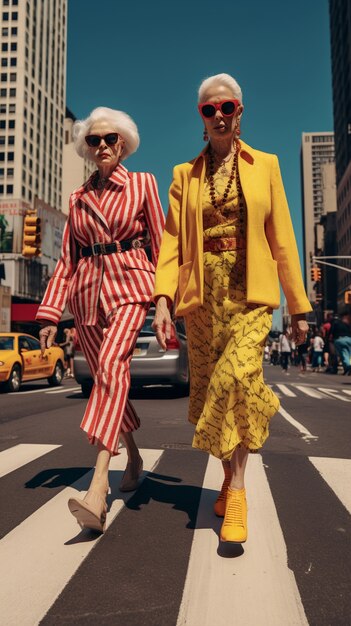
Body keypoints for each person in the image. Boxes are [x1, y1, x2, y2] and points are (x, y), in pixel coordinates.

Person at [152, 73, 311, 545]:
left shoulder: (267, 165)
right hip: (202, 300)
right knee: (208, 393)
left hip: (249, 296)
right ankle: (226, 477)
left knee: (237, 379)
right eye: (209, 110)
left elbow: (282, 236)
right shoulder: (185, 175)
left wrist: (298, 307)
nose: (219, 115)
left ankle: (238, 491)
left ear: (240, 112)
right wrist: (163, 300)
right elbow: (171, 243)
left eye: (227, 107)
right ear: (202, 119)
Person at [37, 107, 165, 532]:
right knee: (108, 381)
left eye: (110, 138)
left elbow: (163, 247)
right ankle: (133, 456)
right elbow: (67, 260)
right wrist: (51, 313)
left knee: (111, 370)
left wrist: (165, 301)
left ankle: (97, 489)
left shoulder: (144, 184)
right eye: (94, 141)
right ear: (87, 149)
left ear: (124, 142)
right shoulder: (78, 198)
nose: (104, 146)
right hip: (86, 297)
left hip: (131, 288)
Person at [330, 308, 351, 375]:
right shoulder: (348, 324)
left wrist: (331, 341)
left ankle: (348, 366)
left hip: (340, 340)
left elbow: (332, 332)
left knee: (344, 354)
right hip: (349, 339)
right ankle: (347, 369)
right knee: (348, 354)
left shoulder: (336, 323)